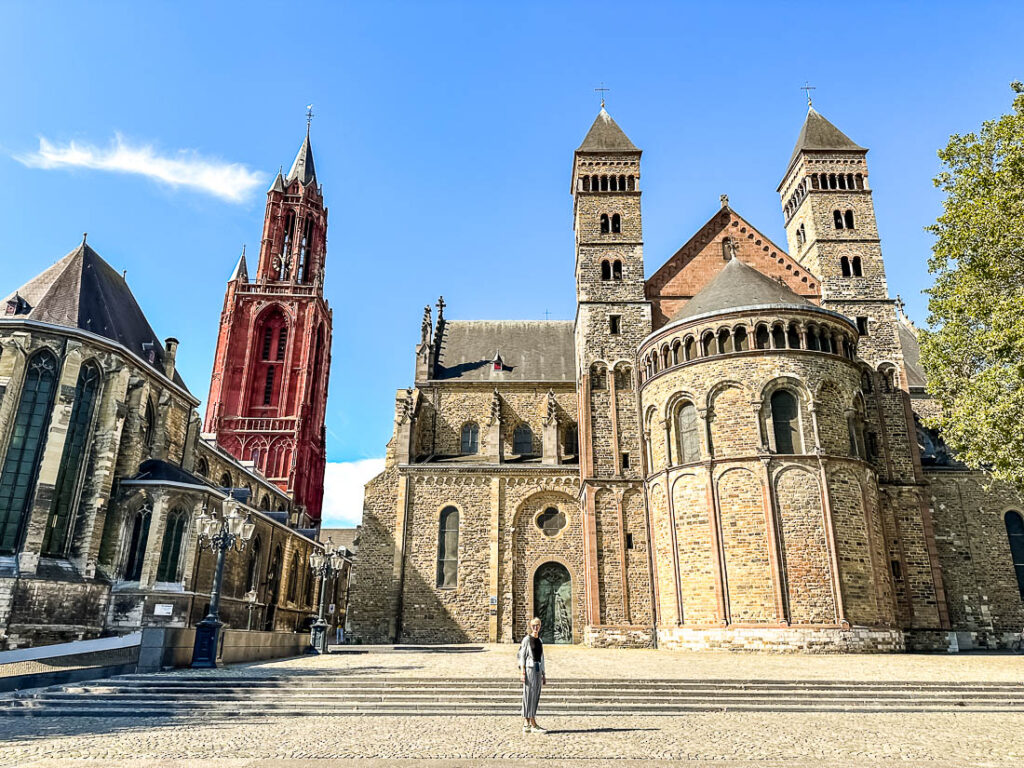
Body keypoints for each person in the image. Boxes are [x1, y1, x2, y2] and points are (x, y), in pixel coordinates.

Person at [517, 617, 547, 733]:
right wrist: (522, 672)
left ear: (540, 626)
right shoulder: (526, 640)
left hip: (538, 669)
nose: (535, 627)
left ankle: (532, 722)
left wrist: (544, 674)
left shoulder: (540, 640)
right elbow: (522, 656)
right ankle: (527, 723)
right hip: (529, 669)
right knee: (528, 694)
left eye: (538, 625)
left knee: (535, 695)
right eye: (534, 625)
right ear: (530, 626)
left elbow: (542, 657)